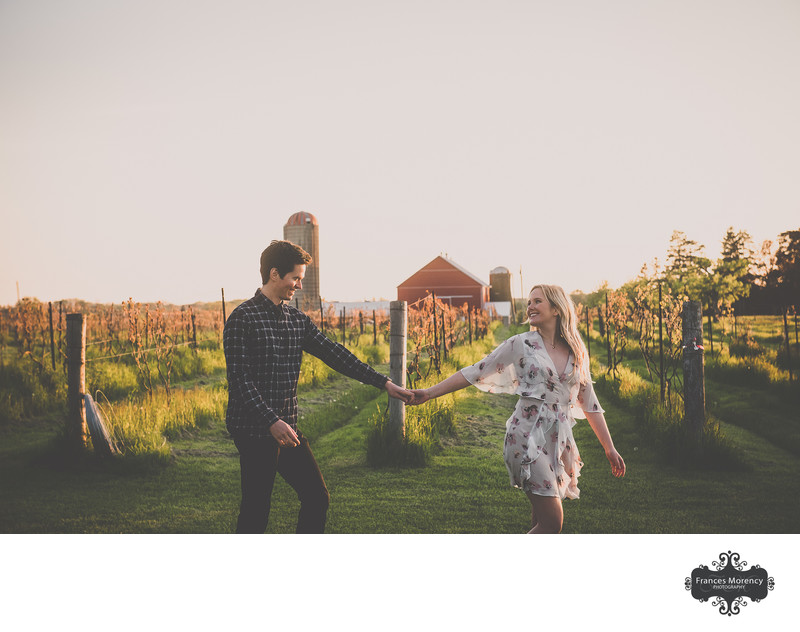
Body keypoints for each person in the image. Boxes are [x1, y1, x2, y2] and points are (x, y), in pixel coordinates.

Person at [224, 240, 413, 533]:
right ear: (274, 274)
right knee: (256, 510)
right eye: (295, 278)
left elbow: (335, 354)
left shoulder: (297, 321)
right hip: (253, 429)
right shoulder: (242, 318)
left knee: (316, 497)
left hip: (288, 427)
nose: (299, 285)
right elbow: (239, 380)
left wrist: (383, 382)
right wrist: (271, 422)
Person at [409, 284, 625, 533]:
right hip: (525, 437)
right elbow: (475, 371)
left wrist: (609, 448)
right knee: (552, 522)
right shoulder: (520, 344)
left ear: (556, 309)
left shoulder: (577, 352)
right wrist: (428, 393)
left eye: (537, 301)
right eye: (529, 302)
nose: (529, 307)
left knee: (540, 520)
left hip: (557, 441)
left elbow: (590, 402)